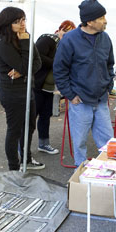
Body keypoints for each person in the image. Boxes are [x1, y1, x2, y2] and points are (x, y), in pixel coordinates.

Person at [53, 0, 114, 166]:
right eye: (101, 17)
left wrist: (108, 86)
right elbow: (59, 70)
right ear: (89, 21)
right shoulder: (69, 40)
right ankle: (79, 175)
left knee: (109, 143)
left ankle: (110, 174)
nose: (105, 21)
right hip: (79, 102)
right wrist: (70, 95)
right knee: (79, 143)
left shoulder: (105, 38)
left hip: (100, 100)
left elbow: (110, 64)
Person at [0, 7, 44, 171]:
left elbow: (37, 62)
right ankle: (13, 167)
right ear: (7, 24)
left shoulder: (24, 36)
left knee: (29, 127)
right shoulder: (2, 43)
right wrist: (24, 44)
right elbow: (25, 64)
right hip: (12, 94)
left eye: (23, 19)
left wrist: (22, 71)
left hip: (27, 90)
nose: (22, 24)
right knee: (14, 130)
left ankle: (26, 159)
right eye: (17, 21)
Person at [34, 20, 75, 155]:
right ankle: (22, 147)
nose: (67, 35)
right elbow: (37, 56)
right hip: (37, 85)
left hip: (49, 87)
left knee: (45, 115)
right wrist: (57, 63)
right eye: (66, 32)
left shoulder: (64, 45)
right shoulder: (48, 39)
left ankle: (44, 144)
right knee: (30, 117)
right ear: (60, 29)